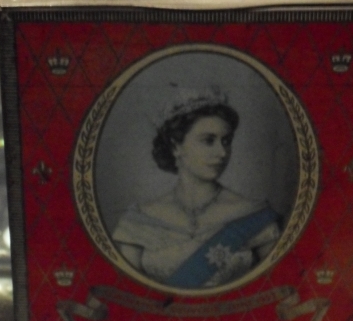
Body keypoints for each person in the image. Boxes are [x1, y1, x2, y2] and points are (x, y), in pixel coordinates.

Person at [112, 87, 281, 289]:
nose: (222, 153)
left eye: (226, 141)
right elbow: (127, 294)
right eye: (208, 141)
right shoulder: (140, 220)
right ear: (176, 146)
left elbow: (274, 287)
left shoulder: (254, 215)